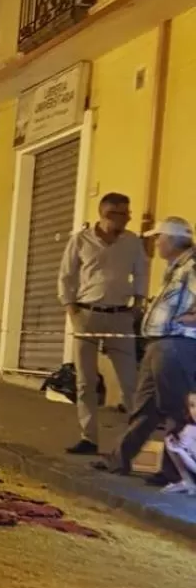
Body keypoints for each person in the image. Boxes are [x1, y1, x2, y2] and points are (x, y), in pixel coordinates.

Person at [96, 217, 196, 485]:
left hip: (177, 344)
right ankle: (120, 458)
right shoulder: (177, 267)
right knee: (146, 407)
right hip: (160, 344)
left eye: (159, 238)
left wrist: (184, 321)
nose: (156, 243)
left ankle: (174, 472)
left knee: (177, 409)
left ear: (173, 239)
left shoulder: (192, 266)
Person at [57, 192, 148, 455]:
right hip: (87, 313)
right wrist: (71, 309)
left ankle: (135, 442)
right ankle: (89, 438)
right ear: (105, 214)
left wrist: (138, 304)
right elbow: (66, 275)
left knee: (129, 380)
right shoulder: (81, 240)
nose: (125, 218)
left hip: (120, 315)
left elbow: (141, 271)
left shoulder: (132, 242)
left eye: (127, 213)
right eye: (120, 213)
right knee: (86, 380)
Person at [162, 391, 196, 495]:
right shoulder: (189, 430)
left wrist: (181, 452)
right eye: (192, 405)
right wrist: (179, 451)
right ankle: (188, 482)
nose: (195, 411)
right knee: (171, 441)